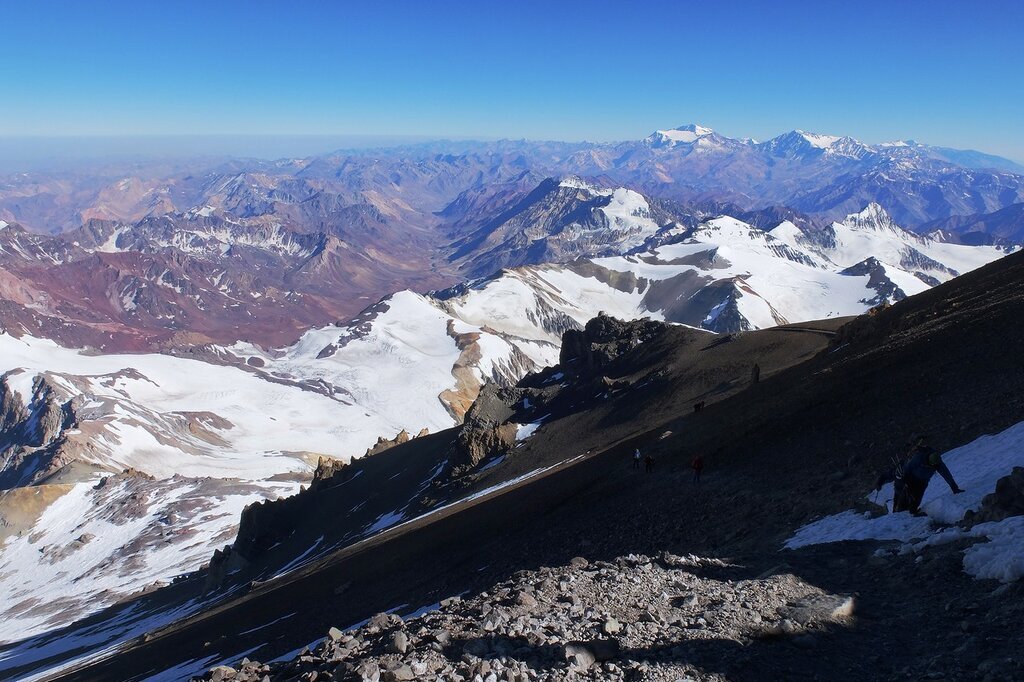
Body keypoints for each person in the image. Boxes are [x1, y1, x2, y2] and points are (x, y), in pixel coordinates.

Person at [876, 435, 963, 515]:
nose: (932, 467)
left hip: (923, 481)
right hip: (910, 478)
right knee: (904, 496)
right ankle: (899, 514)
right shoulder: (918, 458)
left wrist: (954, 487)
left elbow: (946, 474)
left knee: (917, 497)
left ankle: (912, 511)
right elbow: (905, 470)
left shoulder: (938, 463)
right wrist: (880, 483)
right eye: (930, 465)